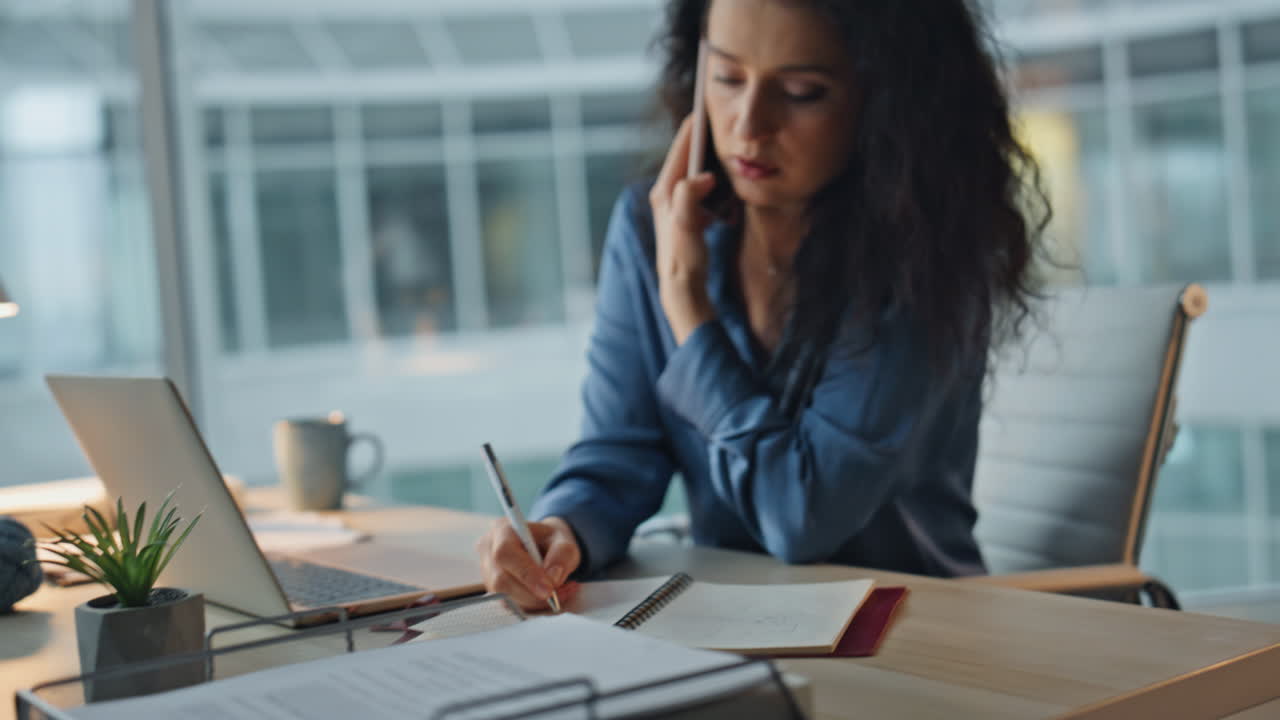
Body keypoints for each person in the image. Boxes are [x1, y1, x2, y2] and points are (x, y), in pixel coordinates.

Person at [475, 0, 1049, 610]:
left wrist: (688, 308)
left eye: (802, 92)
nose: (749, 125)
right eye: (726, 77)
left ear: (884, 100)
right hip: (734, 626)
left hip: (920, 630)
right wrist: (562, 530)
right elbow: (619, 450)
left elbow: (802, 516)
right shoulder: (654, 228)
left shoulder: (922, 257)